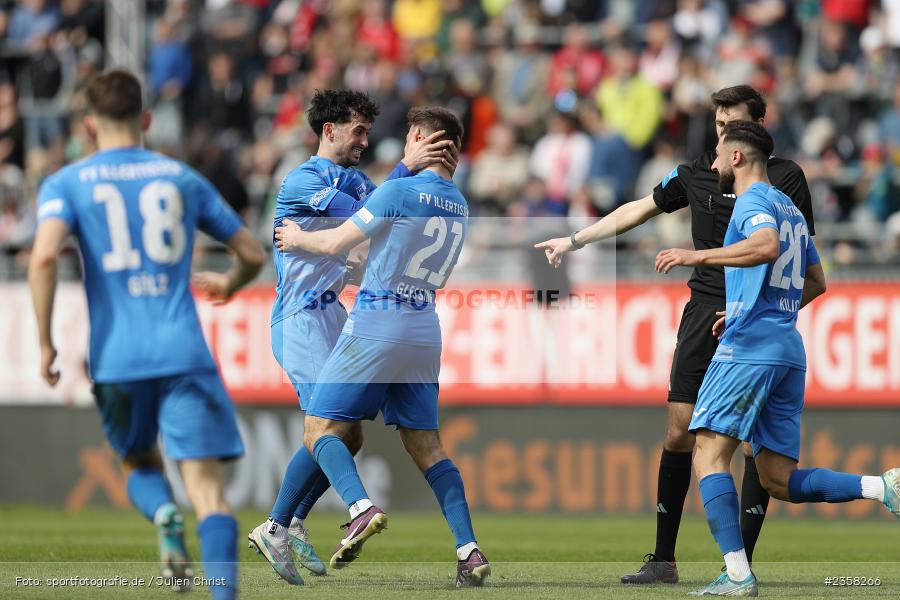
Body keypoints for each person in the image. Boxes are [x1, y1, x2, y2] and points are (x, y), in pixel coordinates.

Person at [535, 85, 815, 584]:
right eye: (719, 121)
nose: (723, 130)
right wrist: (575, 240)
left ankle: (738, 563)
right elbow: (635, 210)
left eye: (733, 122)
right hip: (704, 308)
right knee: (679, 430)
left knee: (753, 448)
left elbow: (797, 257)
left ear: (754, 128)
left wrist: (769, 308)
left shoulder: (784, 177)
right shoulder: (692, 174)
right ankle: (664, 559)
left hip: (751, 317)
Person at [28, 69, 266, 600]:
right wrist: (231, 283)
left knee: (137, 460)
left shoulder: (66, 182)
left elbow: (43, 256)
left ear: (89, 125)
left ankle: (162, 514)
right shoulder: (182, 178)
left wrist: (45, 342)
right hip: (182, 352)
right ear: (146, 119)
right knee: (207, 490)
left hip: (116, 358)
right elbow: (253, 253)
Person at [656, 120, 900, 596]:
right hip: (787, 346)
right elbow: (817, 281)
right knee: (777, 479)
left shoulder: (752, 202)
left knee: (706, 452)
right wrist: (757, 308)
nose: (711, 164)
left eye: (718, 153)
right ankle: (883, 488)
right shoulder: (791, 208)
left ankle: (737, 573)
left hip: (749, 349)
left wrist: (698, 257)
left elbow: (765, 246)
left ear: (737, 158)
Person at [274, 107, 490, 588]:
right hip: (424, 328)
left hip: (377, 322)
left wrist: (297, 237)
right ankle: (469, 551)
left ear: (417, 137)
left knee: (320, 427)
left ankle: (357, 509)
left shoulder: (397, 190)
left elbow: (336, 244)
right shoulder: (459, 202)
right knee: (428, 447)